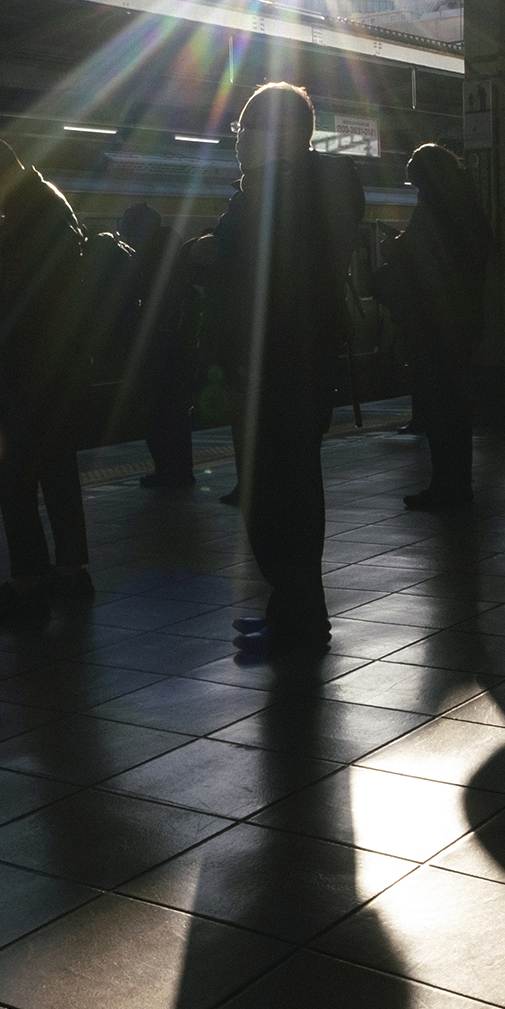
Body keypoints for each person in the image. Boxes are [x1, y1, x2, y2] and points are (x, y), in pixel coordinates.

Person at [199, 82, 362, 655]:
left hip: (279, 364)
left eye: (248, 129)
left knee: (279, 497)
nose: (239, 141)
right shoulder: (286, 188)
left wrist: (210, 253)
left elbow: (272, 269)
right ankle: (292, 611)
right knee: (280, 493)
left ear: (283, 134)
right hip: (279, 363)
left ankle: (299, 625)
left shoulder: (293, 192)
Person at [0, 130, 91, 624]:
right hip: (59, 366)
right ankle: (71, 574)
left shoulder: (30, 212)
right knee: (57, 471)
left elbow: (30, 295)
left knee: (14, 476)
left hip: (36, 369)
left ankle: (26, 589)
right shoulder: (45, 201)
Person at [388, 143, 485, 509]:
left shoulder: (434, 205)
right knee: (454, 410)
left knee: (442, 410)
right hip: (460, 320)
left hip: (435, 322)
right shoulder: (466, 202)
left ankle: (447, 487)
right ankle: (455, 484)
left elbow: (424, 257)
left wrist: (397, 249)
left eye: (415, 168)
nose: (410, 173)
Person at [114, 202, 196, 487]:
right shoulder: (172, 248)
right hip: (177, 344)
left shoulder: (146, 258)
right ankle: (181, 471)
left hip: (155, 347)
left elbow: (135, 299)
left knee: (156, 413)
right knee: (175, 414)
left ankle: (167, 471)